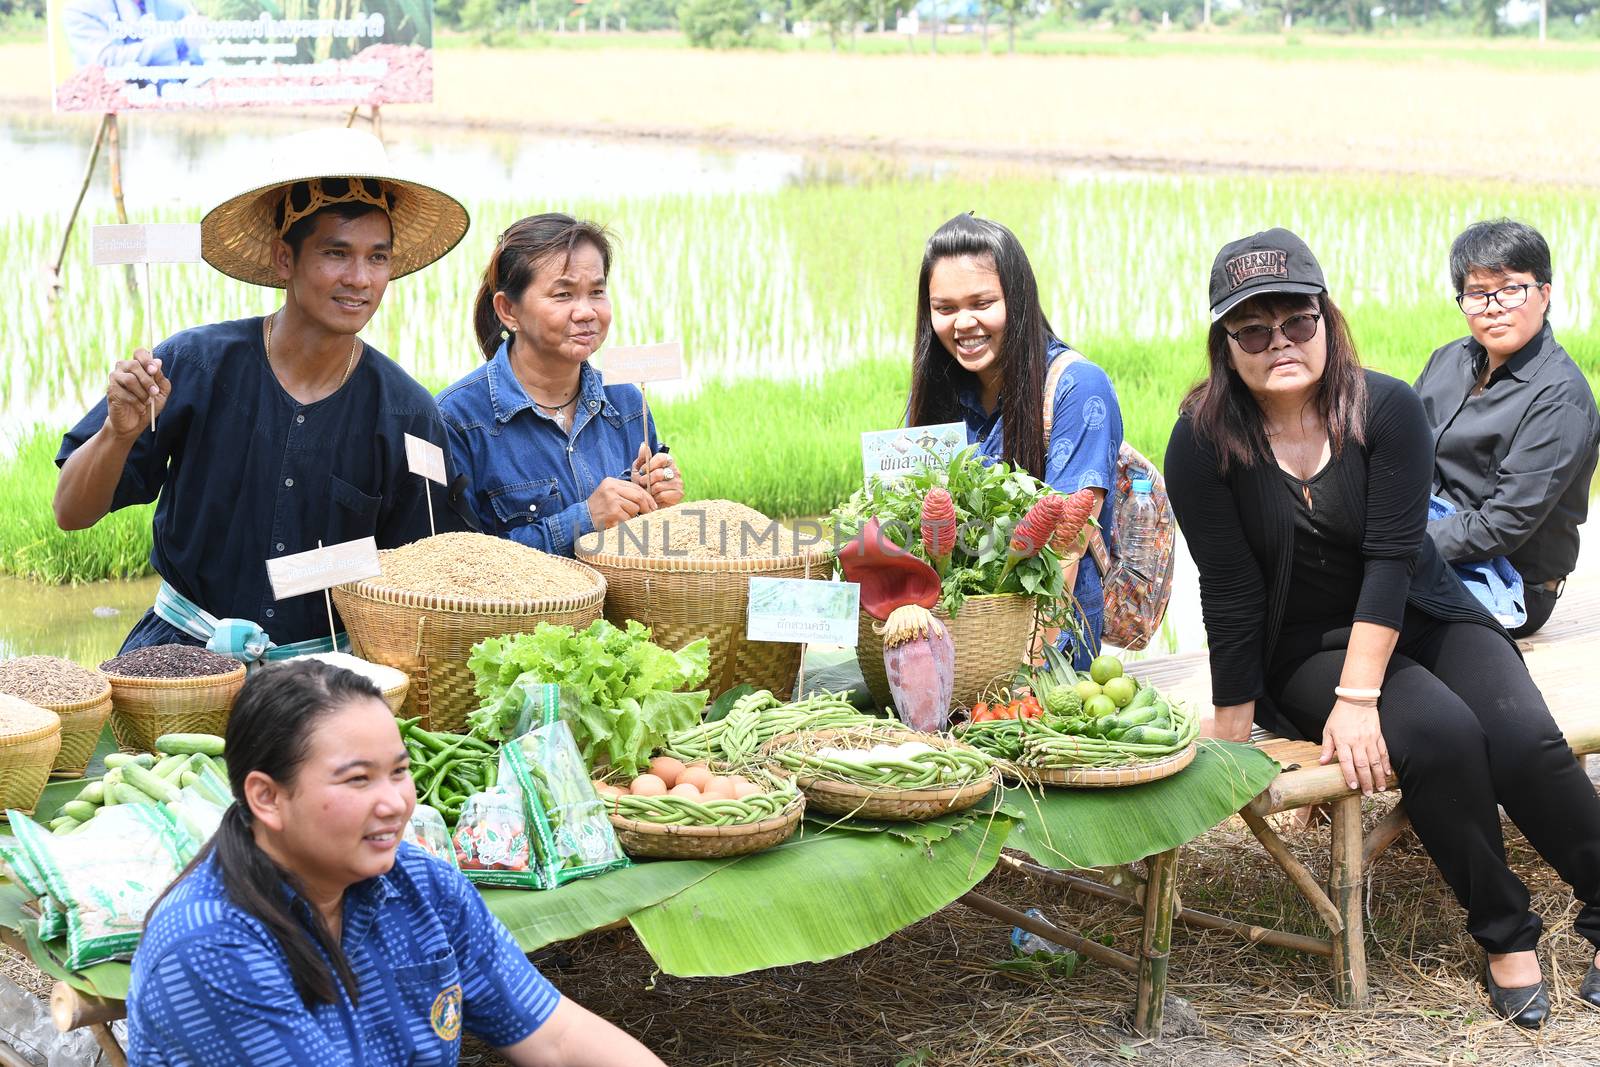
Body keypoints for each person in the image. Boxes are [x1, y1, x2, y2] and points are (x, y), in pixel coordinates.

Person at [1165, 227, 1600, 1028]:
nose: (1279, 344)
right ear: (1225, 344)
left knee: (1517, 732)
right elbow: (1226, 591)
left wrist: (1361, 697)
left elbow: (1394, 560)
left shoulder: (1387, 407)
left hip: (1423, 609)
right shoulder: (1201, 441)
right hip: (1302, 647)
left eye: (1296, 321)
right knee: (1439, 735)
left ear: (1326, 317)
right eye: (1252, 331)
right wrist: (1232, 729)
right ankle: (1506, 931)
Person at [54, 128, 470, 665]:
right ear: (283, 259)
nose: (359, 279)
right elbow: (71, 512)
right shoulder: (193, 365)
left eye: (377, 257)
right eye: (336, 253)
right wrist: (118, 433)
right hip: (181, 655)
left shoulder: (407, 413)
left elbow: (428, 567)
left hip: (322, 673)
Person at [125, 658, 666, 1066]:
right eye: (357, 779)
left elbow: (557, 1038)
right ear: (267, 798)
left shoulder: (422, 885)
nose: (395, 802)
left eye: (399, 771)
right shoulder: (208, 945)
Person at [905, 212, 1122, 670]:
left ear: (1018, 300)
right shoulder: (939, 391)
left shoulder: (1077, 387)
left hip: (1046, 647)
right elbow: (904, 525)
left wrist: (1023, 669)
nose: (963, 323)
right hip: (950, 637)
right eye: (944, 309)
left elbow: (1067, 545)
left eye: (981, 303)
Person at [438, 213, 683, 557]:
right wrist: (583, 520)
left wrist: (660, 502)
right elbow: (453, 564)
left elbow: (651, 544)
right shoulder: (457, 420)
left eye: (596, 292)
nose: (585, 311)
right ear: (508, 310)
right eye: (563, 294)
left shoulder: (626, 402)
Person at [1414, 219, 1600, 639]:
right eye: (1477, 294)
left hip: (1509, 581)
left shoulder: (1561, 399)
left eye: (1511, 289)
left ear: (1544, 294)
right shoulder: (1447, 361)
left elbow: (1503, 525)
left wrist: (1401, 544)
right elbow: (1399, 450)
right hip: (1427, 539)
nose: (1493, 306)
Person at [63, 0, 206, 71]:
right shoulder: (81, 7)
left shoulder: (175, 5)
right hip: (111, 116)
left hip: (173, 114)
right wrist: (176, 42)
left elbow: (198, 59)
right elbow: (106, 61)